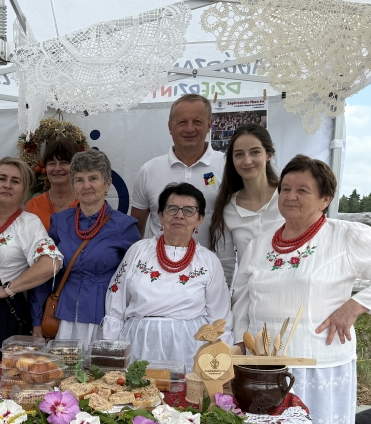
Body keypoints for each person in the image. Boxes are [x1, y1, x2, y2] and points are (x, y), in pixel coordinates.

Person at [232, 155, 371, 424]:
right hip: (265, 370)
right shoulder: (259, 245)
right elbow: (242, 300)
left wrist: (355, 305)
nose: (290, 196)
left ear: (325, 199)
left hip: (318, 366)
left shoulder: (346, 236)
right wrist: (238, 344)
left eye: (303, 190)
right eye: (286, 188)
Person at [103, 182, 232, 368]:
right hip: (139, 343)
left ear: (199, 220)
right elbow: (116, 304)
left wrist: (220, 361)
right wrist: (110, 353)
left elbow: (220, 318)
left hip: (189, 347)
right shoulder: (138, 251)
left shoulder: (209, 261)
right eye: (172, 209)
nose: (179, 215)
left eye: (189, 210)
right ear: (161, 216)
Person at [30, 149, 141, 351]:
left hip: (104, 321)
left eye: (93, 178)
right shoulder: (59, 222)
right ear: (73, 185)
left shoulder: (124, 227)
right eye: (79, 179)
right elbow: (47, 273)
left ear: (107, 184)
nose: (86, 185)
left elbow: (134, 281)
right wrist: (37, 319)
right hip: (62, 319)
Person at [129, 93, 235, 285]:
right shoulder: (149, 170)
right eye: (182, 122)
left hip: (214, 273)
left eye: (197, 121)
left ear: (210, 124)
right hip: (158, 276)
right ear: (170, 126)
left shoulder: (228, 167)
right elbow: (135, 228)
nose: (189, 128)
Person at [0, 158, 63, 360]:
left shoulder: (28, 223)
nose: (8, 185)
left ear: (24, 189)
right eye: (2, 178)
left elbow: (52, 262)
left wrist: (7, 289)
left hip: (3, 310)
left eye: (15, 181)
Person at [208, 124, 283, 261]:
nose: (247, 161)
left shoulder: (288, 197)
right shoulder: (227, 207)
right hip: (246, 283)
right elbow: (226, 264)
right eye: (239, 154)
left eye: (255, 152)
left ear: (268, 155)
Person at [25, 137, 80, 232]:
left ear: (75, 167)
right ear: (45, 168)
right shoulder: (32, 206)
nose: (57, 168)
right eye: (52, 163)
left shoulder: (85, 202)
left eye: (64, 163)